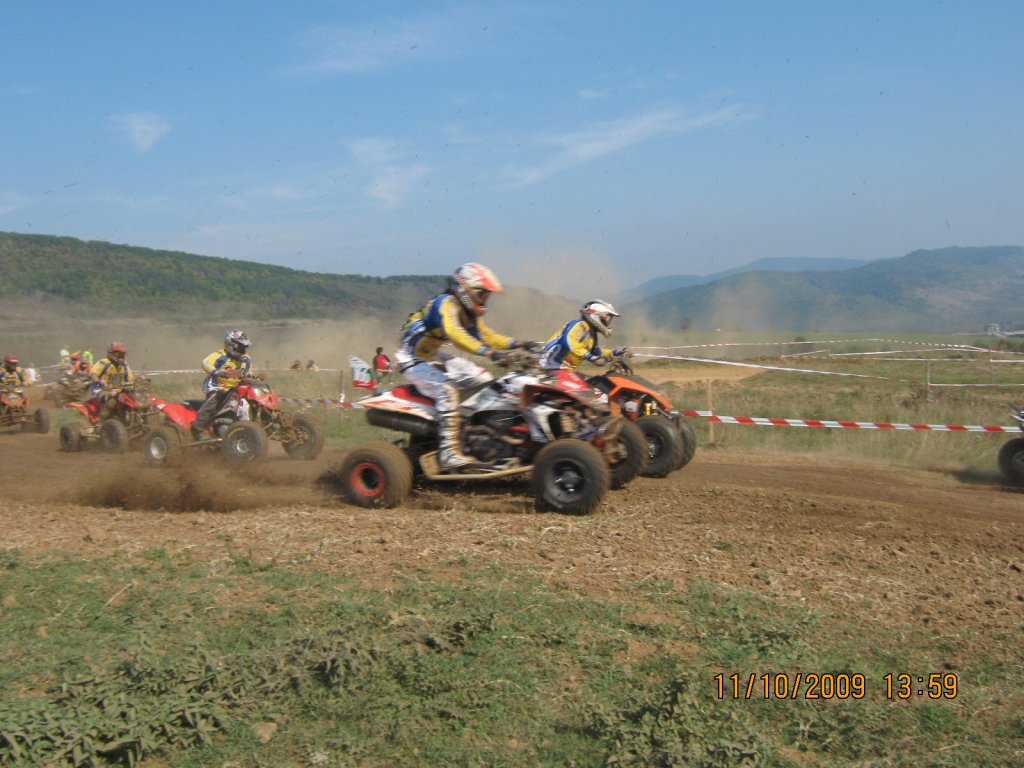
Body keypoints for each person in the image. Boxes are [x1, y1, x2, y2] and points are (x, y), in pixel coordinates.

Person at [396, 262, 541, 471]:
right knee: (447, 391)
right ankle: (448, 453)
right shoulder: (444, 304)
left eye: (487, 295)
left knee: (484, 379)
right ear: (466, 289)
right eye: (482, 294)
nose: (484, 299)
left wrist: (520, 344)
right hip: (411, 358)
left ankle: (478, 437)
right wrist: (489, 353)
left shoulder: (468, 312)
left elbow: (487, 336)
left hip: (433, 356)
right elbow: (455, 334)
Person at [192, 329, 252, 439]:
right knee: (213, 401)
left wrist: (251, 377)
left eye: (244, 347)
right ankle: (198, 428)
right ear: (231, 345)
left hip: (234, 388)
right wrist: (218, 372)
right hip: (217, 386)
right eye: (240, 346)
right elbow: (205, 363)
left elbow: (248, 373)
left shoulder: (246, 359)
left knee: (250, 397)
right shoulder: (219, 355)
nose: (243, 349)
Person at [539, 299, 628, 372]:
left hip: (564, 371)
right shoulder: (580, 325)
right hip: (548, 366)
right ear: (596, 316)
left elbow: (596, 352)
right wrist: (589, 357)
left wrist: (612, 353)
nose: (608, 323)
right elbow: (568, 340)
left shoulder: (592, 336)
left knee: (595, 385)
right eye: (608, 319)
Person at [88, 342, 135, 419]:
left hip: (117, 388)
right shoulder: (103, 363)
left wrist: (138, 380)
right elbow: (93, 374)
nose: (121, 357)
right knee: (112, 400)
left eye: (122, 354)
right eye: (119, 354)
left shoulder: (124, 365)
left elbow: (130, 378)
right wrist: (100, 381)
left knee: (135, 396)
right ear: (111, 353)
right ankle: (102, 420)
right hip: (100, 389)